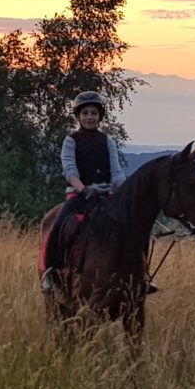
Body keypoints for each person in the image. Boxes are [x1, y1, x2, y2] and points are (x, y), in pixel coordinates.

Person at [41, 90, 129, 292]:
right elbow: (70, 170)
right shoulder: (70, 141)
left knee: (131, 226)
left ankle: (141, 275)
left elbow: (116, 171)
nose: (90, 117)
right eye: (85, 113)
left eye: (94, 113)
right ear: (78, 117)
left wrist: (123, 191)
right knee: (59, 226)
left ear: (100, 117)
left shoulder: (108, 141)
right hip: (79, 195)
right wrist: (84, 189)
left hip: (106, 195)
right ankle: (52, 272)